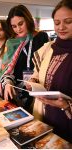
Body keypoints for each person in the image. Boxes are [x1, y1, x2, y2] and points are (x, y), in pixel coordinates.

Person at [28, 0, 72, 142]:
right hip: (45, 116)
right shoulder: (48, 48)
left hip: (67, 123)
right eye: (57, 22)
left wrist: (66, 105)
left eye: (68, 21)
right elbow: (38, 72)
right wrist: (34, 81)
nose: (61, 27)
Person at [0, 5, 49, 113]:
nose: (18, 29)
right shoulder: (13, 42)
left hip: (37, 93)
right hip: (18, 93)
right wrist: (7, 83)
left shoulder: (41, 37)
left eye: (21, 24)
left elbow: (46, 67)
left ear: (28, 19)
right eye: (14, 26)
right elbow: (7, 70)